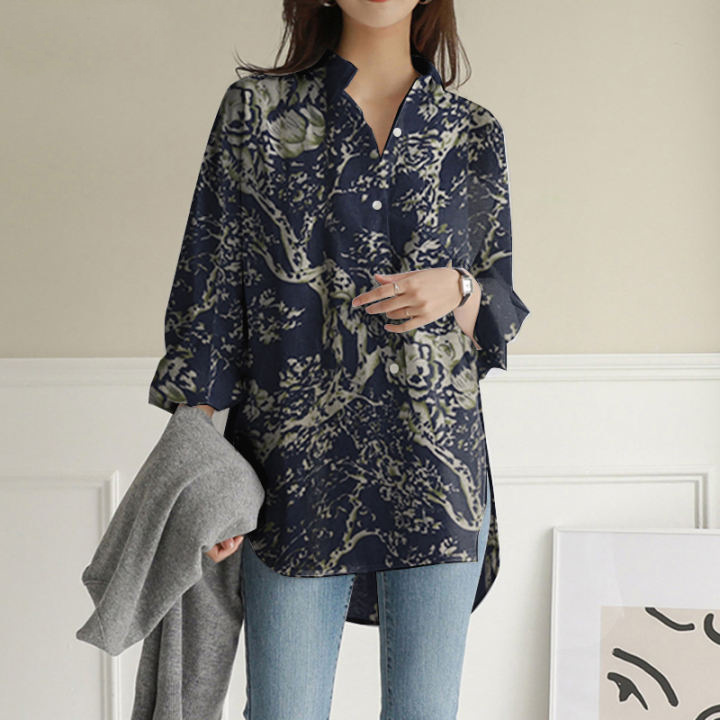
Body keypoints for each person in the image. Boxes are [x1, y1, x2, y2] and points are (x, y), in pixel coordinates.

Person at [148, 0, 530, 717]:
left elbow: (496, 312)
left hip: (437, 470)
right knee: (283, 709)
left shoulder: (471, 131)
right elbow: (208, 295)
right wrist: (202, 472)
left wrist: (458, 286)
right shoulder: (255, 114)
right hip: (292, 469)